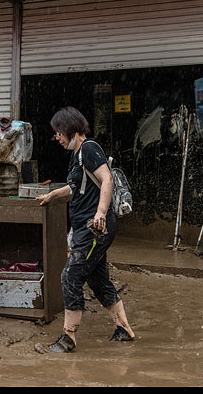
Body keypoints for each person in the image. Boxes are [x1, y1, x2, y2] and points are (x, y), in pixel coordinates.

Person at [36, 106, 135, 353]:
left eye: (58, 132)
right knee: (98, 281)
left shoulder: (89, 149)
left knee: (70, 276)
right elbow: (75, 188)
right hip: (87, 227)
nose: (57, 137)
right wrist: (52, 195)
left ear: (71, 128)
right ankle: (124, 330)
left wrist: (101, 212)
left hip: (95, 228)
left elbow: (107, 179)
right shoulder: (77, 154)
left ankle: (69, 337)